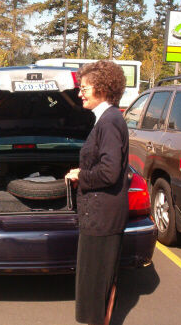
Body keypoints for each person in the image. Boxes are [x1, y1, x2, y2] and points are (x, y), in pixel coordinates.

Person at [65, 60, 129, 325]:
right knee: (96, 283)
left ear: (102, 88)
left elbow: (110, 172)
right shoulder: (106, 119)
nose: (80, 93)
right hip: (99, 215)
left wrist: (81, 176)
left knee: (96, 284)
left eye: (84, 88)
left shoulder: (110, 121)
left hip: (103, 217)